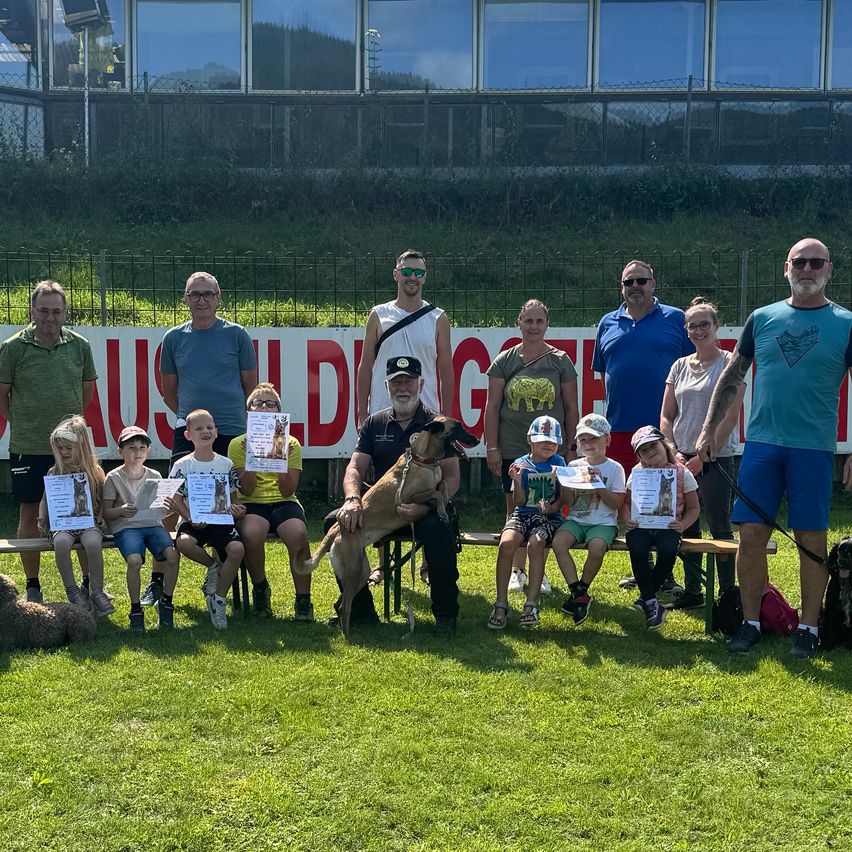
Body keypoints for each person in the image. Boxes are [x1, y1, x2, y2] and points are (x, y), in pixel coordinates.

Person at [698, 237, 852, 658]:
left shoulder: (846, 322)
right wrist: (708, 429)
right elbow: (732, 375)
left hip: (813, 449)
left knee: (811, 540)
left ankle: (809, 627)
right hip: (762, 447)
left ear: (829, 269)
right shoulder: (762, 318)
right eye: (799, 262)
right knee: (750, 536)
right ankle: (749, 623)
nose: (807, 268)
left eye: (815, 262)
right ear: (786, 267)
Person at [331, 356, 461, 636]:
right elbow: (355, 466)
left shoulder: (436, 424)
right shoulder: (373, 424)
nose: (403, 388)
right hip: (384, 507)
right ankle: (362, 611)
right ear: (388, 386)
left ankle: (445, 615)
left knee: (437, 529)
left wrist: (426, 507)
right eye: (396, 382)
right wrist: (353, 499)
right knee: (336, 522)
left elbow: (452, 477)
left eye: (409, 381)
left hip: (425, 506)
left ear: (421, 384)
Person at [148, 271, 256, 602]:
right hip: (188, 433)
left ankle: (231, 578)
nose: (202, 300)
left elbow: (250, 386)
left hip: (233, 431)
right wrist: (192, 423)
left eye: (208, 294)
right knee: (167, 500)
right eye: (195, 295)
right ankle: (157, 579)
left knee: (236, 503)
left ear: (219, 297)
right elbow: (169, 390)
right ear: (185, 300)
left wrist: (228, 423)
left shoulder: (238, 335)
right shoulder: (173, 338)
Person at [593, 260, 693, 593]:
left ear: (654, 284)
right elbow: (604, 372)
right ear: (621, 287)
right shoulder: (606, 322)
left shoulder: (676, 319)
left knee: (671, 500)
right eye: (628, 282)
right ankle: (645, 570)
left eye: (641, 281)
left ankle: (672, 574)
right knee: (640, 501)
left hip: (662, 428)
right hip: (620, 426)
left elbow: (691, 368)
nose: (635, 286)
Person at [0, 280, 98, 603]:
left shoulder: (80, 345)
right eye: (43, 310)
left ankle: (87, 584)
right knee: (29, 513)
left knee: (81, 514)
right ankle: (33, 585)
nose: (50, 317)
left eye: (57, 311)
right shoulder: (13, 347)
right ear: (32, 310)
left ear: (65, 312)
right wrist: (24, 422)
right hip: (28, 446)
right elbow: (3, 396)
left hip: (72, 449)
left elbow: (86, 391)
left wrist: (69, 433)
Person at [484, 299, 579, 594]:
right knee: (516, 508)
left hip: (551, 450)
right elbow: (492, 406)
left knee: (548, 511)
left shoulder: (560, 360)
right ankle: (517, 569)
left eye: (539, 321)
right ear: (519, 323)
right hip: (514, 445)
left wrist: (571, 446)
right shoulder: (504, 360)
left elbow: (571, 407)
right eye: (529, 321)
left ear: (547, 324)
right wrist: (492, 447)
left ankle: (540, 570)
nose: (534, 326)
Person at [660, 297, 745, 609]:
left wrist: (704, 456)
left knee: (720, 526)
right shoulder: (679, 366)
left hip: (716, 459)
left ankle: (726, 594)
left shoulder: (730, 364)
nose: (698, 330)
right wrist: (673, 453)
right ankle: (694, 591)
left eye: (704, 324)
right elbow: (667, 415)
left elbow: (730, 417)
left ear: (716, 327)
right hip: (680, 457)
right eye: (692, 326)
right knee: (685, 524)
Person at [228, 383, 314, 622]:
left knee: (298, 533)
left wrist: (276, 455)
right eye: (258, 403)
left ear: (279, 411)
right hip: (252, 502)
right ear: (249, 411)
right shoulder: (237, 444)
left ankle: (303, 599)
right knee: (252, 533)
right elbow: (247, 488)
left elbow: (288, 489)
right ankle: (260, 589)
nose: (264, 407)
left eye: (271, 403)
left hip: (284, 501)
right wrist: (253, 456)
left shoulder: (292, 443)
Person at [169, 409, 246, 630]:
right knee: (183, 542)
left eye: (210, 427)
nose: (205, 432)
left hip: (220, 520)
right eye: (199, 428)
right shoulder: (183, 465)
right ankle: (213, 567)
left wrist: (237, 510)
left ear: (216, 432)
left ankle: (218, 600)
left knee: (237, 550)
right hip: (193, 520)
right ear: (188, 435)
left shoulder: (226, 464)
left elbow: (233, 498)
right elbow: (176, 500)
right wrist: (189, 517)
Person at [356, 249, 453, 424]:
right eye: (406, 272)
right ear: (396, 274)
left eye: (419, 273)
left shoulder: (438, 318)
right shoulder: (378, 315)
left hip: (426, 414)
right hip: (382, 413)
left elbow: (446, 373)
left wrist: (445, 416)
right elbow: (365, 366)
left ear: (424, 277)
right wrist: (362, 413)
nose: (412, 278)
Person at [488, 416, 566, 631]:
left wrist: (552, 507)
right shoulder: (521, 463)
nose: (549, 445)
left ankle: (531, 604)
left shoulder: (560, 462)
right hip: (523, 513)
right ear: (530, 439)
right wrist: (515, 479)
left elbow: (565, 499)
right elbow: (519, 502)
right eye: (543, 440)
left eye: (553, 441)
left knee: (536, 543)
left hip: (549, 517)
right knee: (506, 544)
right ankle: (501, 603)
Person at [102, 426, 180, 632]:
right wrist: (121, 510)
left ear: (148, 450)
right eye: (131, 447)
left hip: (152, 524)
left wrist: (168, 509)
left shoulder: (154, 474)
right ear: (121, 451)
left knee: (172, 556)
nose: (137, 452)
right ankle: (136, 608)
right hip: (126, 527)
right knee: (135, 560)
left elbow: (162, 509)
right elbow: (106, 513)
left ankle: (166, 601)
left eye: (141, 447)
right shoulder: (113, 477)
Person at [622, 427, 700, 630]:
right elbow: (625, 504)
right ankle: (651, 602)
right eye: (643, 450)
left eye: (653, 445)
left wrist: (682, 525)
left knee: (667, 550)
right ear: (638, 455)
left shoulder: (683, 473)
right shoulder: (636, 474)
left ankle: (646, 597)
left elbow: (694, 508)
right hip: (642, 525)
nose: (650, 451)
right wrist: (628, 520)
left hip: (669, 526)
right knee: (637, 547)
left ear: (664, 444)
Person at [552, 413, 626, 626]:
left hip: (603, 522)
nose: (588, 443)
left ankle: (582, 589)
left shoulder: (615, 468)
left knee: (596, 548)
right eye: (583, 439)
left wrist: (598, 484)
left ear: (607, 440)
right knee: (558, 542)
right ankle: (577, 592)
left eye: (594, 438)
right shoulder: (573, 465)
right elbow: (568, 502)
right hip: (576, 519)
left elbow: (617, 504)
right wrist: (564, 482)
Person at [37, 416, 114, 617]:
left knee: (93, 543)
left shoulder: (94, 471)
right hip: (63, 525)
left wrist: (101, 515)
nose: (64, 452)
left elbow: (104, 496)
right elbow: (45, 499)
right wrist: (42, 517)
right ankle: (72, 591)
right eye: (60, 448)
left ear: (81, 446)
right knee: (61, 543)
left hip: (88, 523)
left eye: (68, 448)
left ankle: (96, 591)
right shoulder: (54, 472)